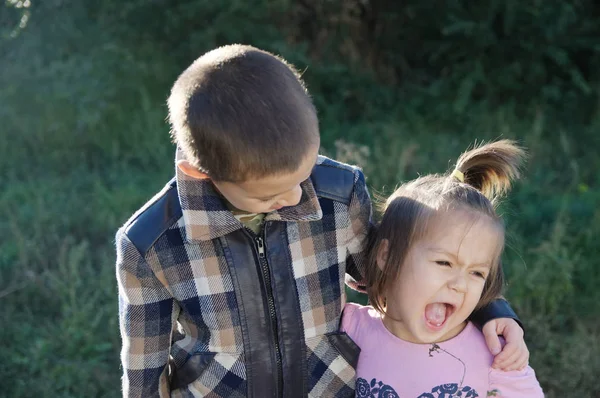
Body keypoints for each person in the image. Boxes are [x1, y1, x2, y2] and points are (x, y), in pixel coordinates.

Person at [115, 45, 528, 397]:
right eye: (269, 194)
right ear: (202, 173)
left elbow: (406, 267)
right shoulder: (152, 243)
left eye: (303, 174)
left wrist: (491, 310)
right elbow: (144, 366)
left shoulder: (337, 191)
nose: (296, 197)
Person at [342, 140, 544, 397]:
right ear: (387, 255)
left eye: (477, 273)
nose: (459, 284)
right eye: (444, 263)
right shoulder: (348, 330)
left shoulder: (496, 356)